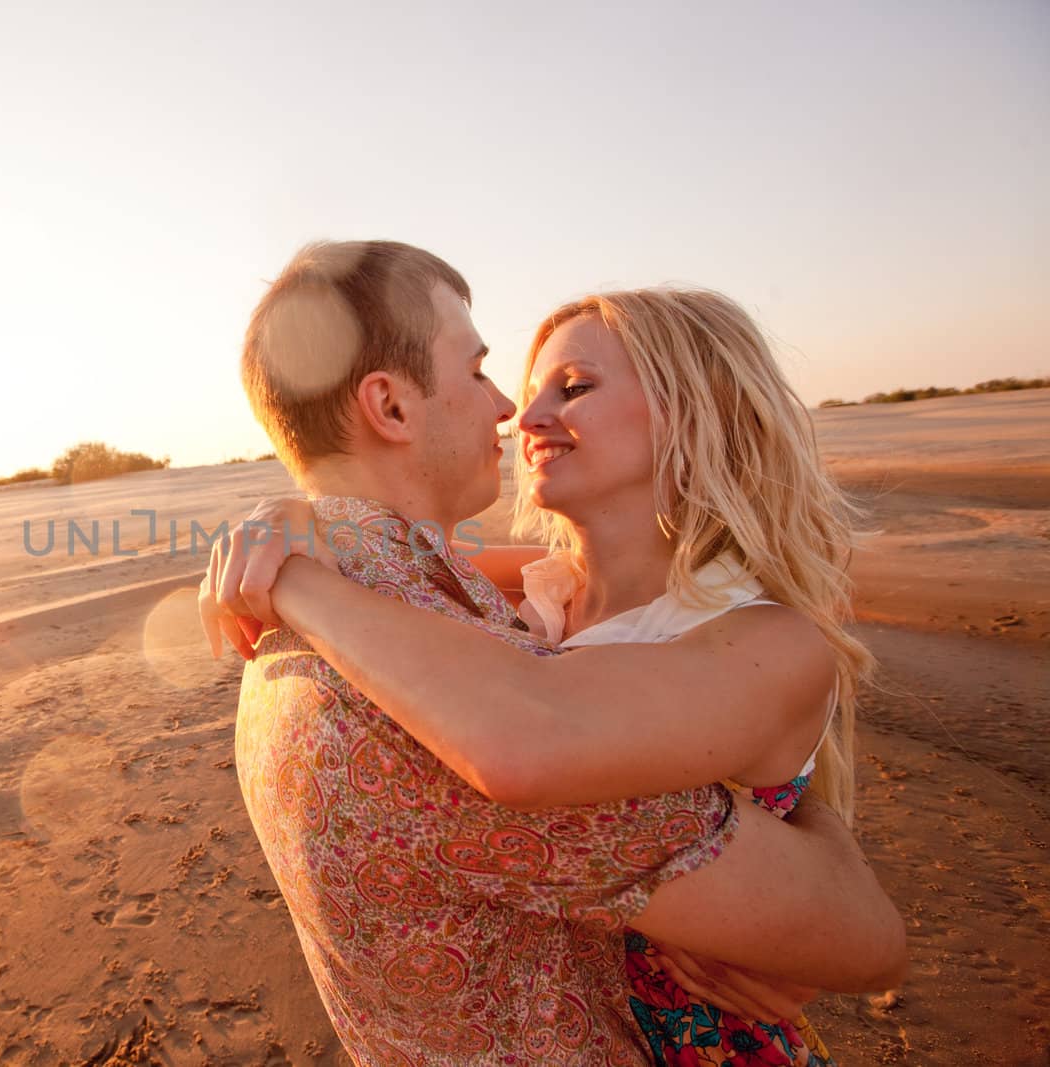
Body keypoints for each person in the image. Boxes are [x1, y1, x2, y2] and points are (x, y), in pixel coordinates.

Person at [203, 240, 904, 1066]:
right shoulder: (525, 605)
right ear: (389, 408)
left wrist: (296, 578)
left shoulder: (761, 639)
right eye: (498, 377)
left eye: (571, 389)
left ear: (693, 412)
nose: (519, 412)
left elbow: (525, 710)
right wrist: (293, 520)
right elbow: (426, 574)